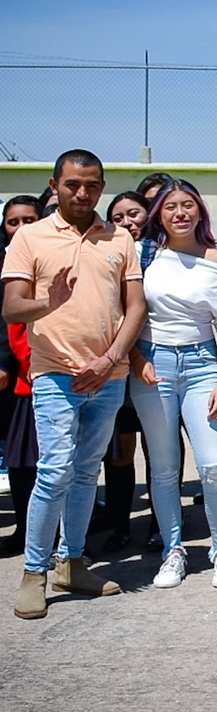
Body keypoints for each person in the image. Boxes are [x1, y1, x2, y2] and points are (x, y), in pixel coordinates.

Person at [4, 149, 147, 620]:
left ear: (101, 187)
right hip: (55, 375)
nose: (82, 193)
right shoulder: (30, 237)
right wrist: (49, 299)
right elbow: (11, 308)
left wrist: (109, 360)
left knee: (87, 472)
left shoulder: (119, 238)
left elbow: (135, 308)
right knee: (54, 471)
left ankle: (73, 562)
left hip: (106, 376)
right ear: (54, 185)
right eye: (72, 185)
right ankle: (34, 573)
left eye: (91, 185)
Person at [129, 179, 217, 589]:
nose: (180, 213)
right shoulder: (146, 256)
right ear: (158, 213)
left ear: (200, 211)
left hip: (202, 364)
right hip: (152, 365)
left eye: (188, 205)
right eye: (171, 206)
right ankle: (173, 551)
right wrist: (137, 358)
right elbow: (127, 312)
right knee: (164, 468)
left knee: (214, 465)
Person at [101, 190, 154, 552]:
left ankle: (160, 524)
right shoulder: (109, 253)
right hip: (119, 364)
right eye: (117, 218)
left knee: (159, 448)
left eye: (133, 214)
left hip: (155, 365)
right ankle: (119, 525)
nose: (127, 223)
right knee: (119, 452)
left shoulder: (162, 253)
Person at [0, 195, 44, 557]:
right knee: (20, 461)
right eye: (14, 222)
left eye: (30, 220)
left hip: (40, 375)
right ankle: (24, 529)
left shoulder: (45, 261)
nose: (21, 229)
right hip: (17, 380)